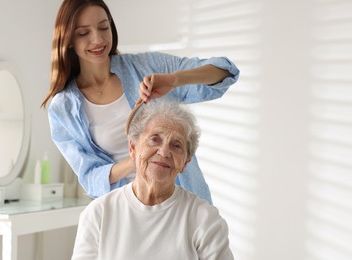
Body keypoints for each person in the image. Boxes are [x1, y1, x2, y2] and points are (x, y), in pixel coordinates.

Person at [41, 0, 240, 204]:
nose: (98, 39)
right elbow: (91, 178)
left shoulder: (146, 67)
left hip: (182, 201)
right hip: (128, 209)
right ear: (69, 39)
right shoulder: (63, 108)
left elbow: (224, 72)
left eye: (103, 27)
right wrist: (137, 159)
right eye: (84, 33)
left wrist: (175, 80)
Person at [71, 100, 234, 260]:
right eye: (155, 139)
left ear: (185, 162)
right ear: (133, 148)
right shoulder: (98, 213)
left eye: (176, 145)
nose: (164, 152)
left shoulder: (205, 219)